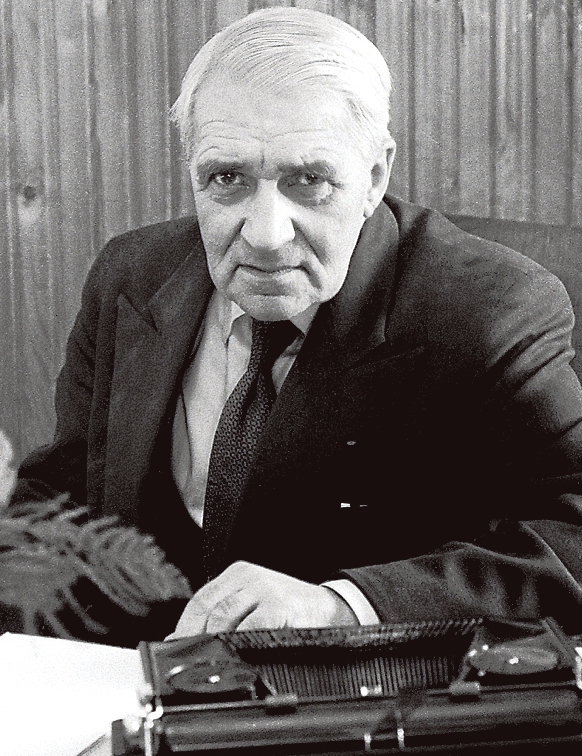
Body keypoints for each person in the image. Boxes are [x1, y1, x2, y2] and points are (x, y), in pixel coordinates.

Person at [12, 7, 582, 643]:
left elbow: (572, 534)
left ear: (374, 177)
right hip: (125, 685)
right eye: (226, 179)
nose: (265, 234)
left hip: (353, 705)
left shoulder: (490, 310)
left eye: (308, 181)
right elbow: (64, 498)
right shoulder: (131, 276)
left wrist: (344, 607)